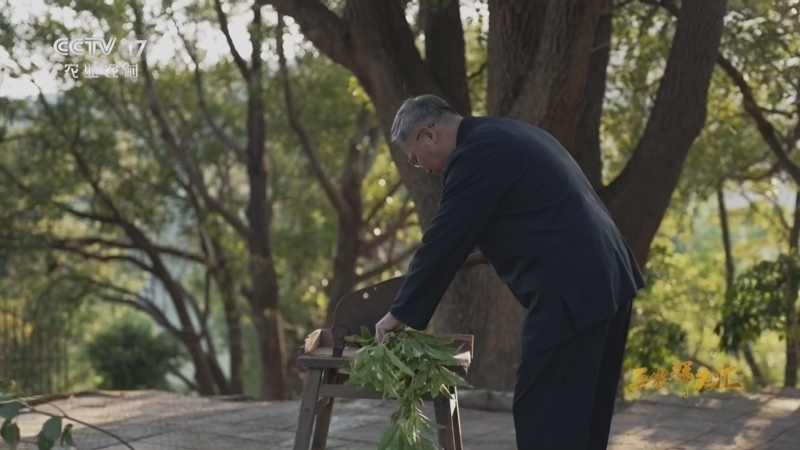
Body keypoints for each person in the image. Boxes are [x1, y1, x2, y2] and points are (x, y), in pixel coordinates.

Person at [373, 94, 646, 449]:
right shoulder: (504, 133)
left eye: (414, 158)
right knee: (582, 416)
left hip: (571, 290)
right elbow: (533, 208)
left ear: (428, 135)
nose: (422, 168)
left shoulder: (475, 155)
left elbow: (443, 241)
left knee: (541, 413)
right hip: (609, 280)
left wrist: (399, 313)